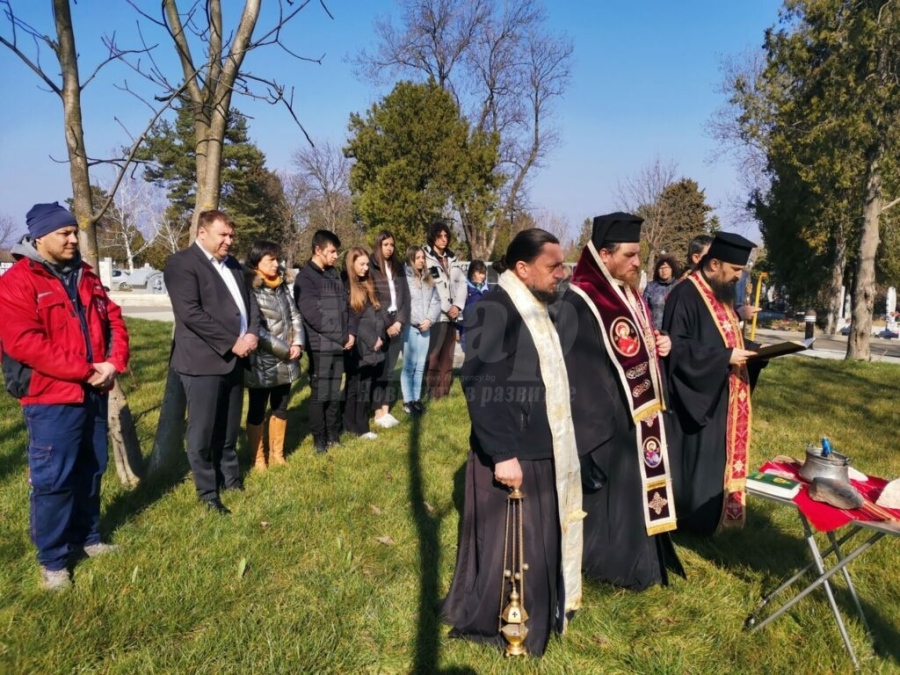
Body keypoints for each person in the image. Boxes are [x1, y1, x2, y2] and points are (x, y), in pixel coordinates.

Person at [441, 229, 584, 656]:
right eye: (552, 266)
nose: (561, 273)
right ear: (522, 269)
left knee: (537, 543)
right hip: (512, 452)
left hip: (542, 444)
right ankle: (503, 621)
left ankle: (544, 608)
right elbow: (481, 384)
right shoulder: (491, 309)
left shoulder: (539, 307)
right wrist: (503, 454)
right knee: (514, 546)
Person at [0, 202, 129, 590]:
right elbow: (25, 343)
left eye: (75, 231)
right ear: (41, 236)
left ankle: (87, 537)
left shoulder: (86, 276)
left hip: (95, 389)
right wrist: (85, 370)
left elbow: (114, 319)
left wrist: (112, 362)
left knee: (92, 467)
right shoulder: (17, 282)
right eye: (65, 233)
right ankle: (53, 560)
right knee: (54, 478)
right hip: (51, 398)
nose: (74, 239)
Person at [554, 212, 683, 592]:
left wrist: (657, 344)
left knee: (637, 494)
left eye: (638, 254)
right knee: (612, 501)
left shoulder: (628, 293)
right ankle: (612, 566)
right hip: (609, 421)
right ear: (604, 255)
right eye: (629, 255)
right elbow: (576, 366)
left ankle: (643, 560)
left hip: (639, 416)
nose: (637, 262)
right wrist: (604, 415)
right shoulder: (581, 299)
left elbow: (633, 345)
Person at [165, 210, 260, 515]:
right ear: (202, 233)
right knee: (203, 431)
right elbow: (191, 313)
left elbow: (251, 303)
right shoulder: (182, 264)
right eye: (223, 235)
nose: (229, 241)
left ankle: (230, 479)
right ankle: (208, 492)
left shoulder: (233, 265)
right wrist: (232, 342)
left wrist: (253, 333)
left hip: (237, 358)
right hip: (203, 361)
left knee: (229, 427)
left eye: (232, 235)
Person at [662, 231, 758, 535]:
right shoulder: (685, 294)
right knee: (701, 462)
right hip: (698, 395)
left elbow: (725, 338)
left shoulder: (720, 293)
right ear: (714, 264)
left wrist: (754, 352)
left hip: (723, 391)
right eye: (735, 271)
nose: (737, 278)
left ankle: (719, 516)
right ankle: (696, 522)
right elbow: (675, 347)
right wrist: (724, 357)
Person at [243, 240, 304, 471]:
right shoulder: (251, 289)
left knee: (281, 406)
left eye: (277, 259)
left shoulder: (281, 286)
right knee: (258, 409)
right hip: (262, 362)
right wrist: (284, 349)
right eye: (270, 259)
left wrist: (298, 343)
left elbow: (295, 315)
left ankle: (277, 454)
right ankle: (258, 458)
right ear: (257, 263)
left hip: (287, 359)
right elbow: (255, 328)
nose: (276, 264)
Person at [294, 230, 349, 454]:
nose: (336, 256)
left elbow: (344, 307)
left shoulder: (333, 274)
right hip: (320, 345)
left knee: (334, 392)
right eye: (332, 251)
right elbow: (313, 314)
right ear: (318, 250)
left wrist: (349, 333)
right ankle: (319, 439)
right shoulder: (305, 278)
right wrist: (341, 335)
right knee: (320, 393)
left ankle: (333, 434)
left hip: (338, 344)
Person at [341, 247, 385, 439]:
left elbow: (376, 312)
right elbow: (354, 319)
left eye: (367, 264)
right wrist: (372, 338)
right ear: (352, 264)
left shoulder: (368, 283)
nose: (366, 268)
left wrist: (379, 335)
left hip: (372, 344)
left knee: (364, 386)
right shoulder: (346, 284)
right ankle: (354, 425)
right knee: (355, 386)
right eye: (362, 264)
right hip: (358, 346)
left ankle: (359, 423)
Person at [369, 230, 410, 429]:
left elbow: (406, 297)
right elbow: (374, 298)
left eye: (392, 245)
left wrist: (400, 321)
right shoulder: (371, 266)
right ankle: (377, 412)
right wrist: (388, 324)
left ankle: (386, 410)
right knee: (380, 369)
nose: (389, 248)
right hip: (381, 322)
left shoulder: (398, 266)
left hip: (397, 321)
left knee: (391, 368)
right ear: (379, 245)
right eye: (386, 245)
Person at [423, 221, 467, 399]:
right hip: (436, 315)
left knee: (448, 355)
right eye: (440, 236)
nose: (443, 239)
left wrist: (457, 306)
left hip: (453, 316)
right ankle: (432, 391)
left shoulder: (453, 259)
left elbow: (462, 284)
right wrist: (447, 308)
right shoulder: (426, 257)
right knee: (434, 355)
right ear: (432, 237)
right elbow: (432, 287)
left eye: (446, 236)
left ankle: (444, 391)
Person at [401, 246, 440, 415]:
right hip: (410, 328)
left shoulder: (429, 278)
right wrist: (412, 320)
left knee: (419, 366)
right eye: (418, 258)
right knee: (409, 365)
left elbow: (436, 301)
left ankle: (416, 399)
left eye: (423, 257)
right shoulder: (405, 278)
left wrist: (429, 320)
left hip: (425, 328)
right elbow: (403, 302)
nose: (421, 260)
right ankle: (407, 400)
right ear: (411, 259)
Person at [642, 254, 680, 329]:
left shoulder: (679, 286)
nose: (664, 270)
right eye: (661, 268)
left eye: (666, 267)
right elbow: (644, 308)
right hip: (655, 329)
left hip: (674, 330)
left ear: (672, 269)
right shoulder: (650, 287)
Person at [459, 259, 488, 352]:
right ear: (472, 272)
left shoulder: (487, 290)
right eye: (479, 273)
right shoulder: (464, 288)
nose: (482, 276)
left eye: (483, 273)